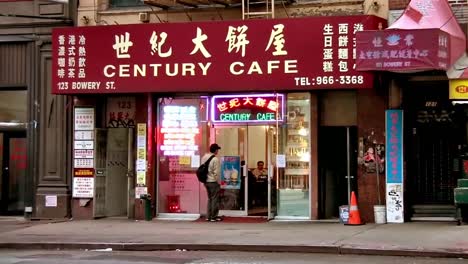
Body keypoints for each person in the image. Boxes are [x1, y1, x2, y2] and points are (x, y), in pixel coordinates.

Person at [201, 143, 222, 222]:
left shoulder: (204, 157)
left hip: (206, 181)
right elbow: (216, 172)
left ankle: (208, 216)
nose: (218, 151)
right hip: (213, 181)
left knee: (210, 199)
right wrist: (218, 182)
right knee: (215, 199)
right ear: (215, 150)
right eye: (217, 150)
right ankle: (214, 217)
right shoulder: (215, 159)